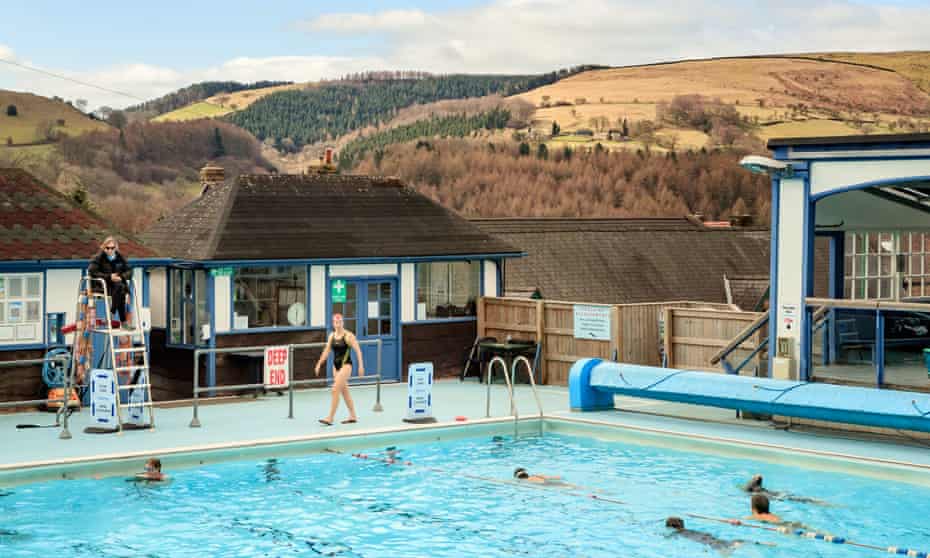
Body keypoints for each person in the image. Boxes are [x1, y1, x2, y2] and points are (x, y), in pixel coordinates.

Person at [315, 313, 365, 426]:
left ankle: (330, 417)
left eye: (339, 322)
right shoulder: (331, 336)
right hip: (335, 367)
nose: (337, 324)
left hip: (346, 366)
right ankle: (353, 415)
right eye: (335, 322)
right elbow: (326, 351)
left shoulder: (348, 336)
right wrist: (319, 364)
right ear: (333, 323)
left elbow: (358, 351)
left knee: (334, 390)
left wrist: (361, 366)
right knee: (345, 392)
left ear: (343, 322)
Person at [88, 236, 132, 326]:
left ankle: (112, 314)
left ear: (116, 248)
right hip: (103, 285)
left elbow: (130, 271)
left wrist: (122, 277)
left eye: (112, 248)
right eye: (107, 248)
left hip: (117, 285)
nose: (110, 250)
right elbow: (92, 271)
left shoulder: (120, 258)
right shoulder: (98, 258)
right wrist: (109, 277)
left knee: (120, 287)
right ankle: (122, 321)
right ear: (104, 248)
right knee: (121, 289)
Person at [665, 517, 745, 553]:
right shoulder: (691, 530)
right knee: (734, 543)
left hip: (710, 544)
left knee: (724, 551)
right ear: (683, 525)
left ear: (670, 527)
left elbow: (667, 538)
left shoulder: (676, 533)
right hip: (712, 539)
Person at [743, 474, 829, 505]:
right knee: (800, 499)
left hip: (776, 497)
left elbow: (758, 477)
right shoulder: (760, 489)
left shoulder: (753, 491)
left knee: (797, 499)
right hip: (778, 495)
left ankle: (817, 502)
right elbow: (758, 477)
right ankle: (818, 501)